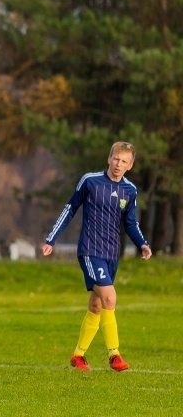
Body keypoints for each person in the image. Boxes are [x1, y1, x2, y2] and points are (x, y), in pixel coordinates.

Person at [42, 141, 152, 372]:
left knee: (96, 305)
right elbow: (70, 208)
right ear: (108, 158)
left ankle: (78, 356)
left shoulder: (129, 190)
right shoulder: (90, 181)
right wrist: (51, 239)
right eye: (115, 159)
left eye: (124, 161)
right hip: (90, 251)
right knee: (110, 297)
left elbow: (130, 223)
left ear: (130, 165)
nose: (118, 164)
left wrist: (142, 244)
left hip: (112, 254)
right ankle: (114, 355)